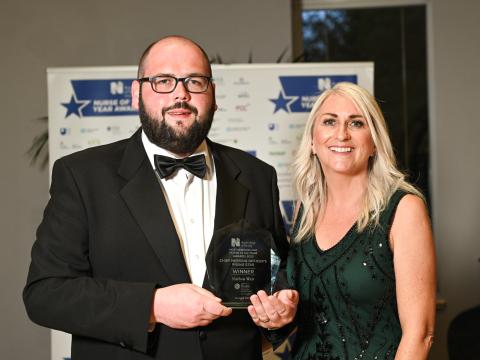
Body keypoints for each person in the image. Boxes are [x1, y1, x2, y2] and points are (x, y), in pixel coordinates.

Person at [23, 35, 297, 360]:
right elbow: (46, 294)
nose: (180, 94)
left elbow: (276, 275)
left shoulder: (256, 175)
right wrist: (153, 306)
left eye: (194, 81)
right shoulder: (82, 175)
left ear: (213, 95)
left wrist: (279, 312)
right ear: (136, 94)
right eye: (163, 81)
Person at [287, 82, 436, 359]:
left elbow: (420, 334)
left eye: (356, 123)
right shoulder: (304, 212)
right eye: (330, 121)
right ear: (312, 141)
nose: (341, 134)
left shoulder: (403, 209)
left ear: (375, 143)